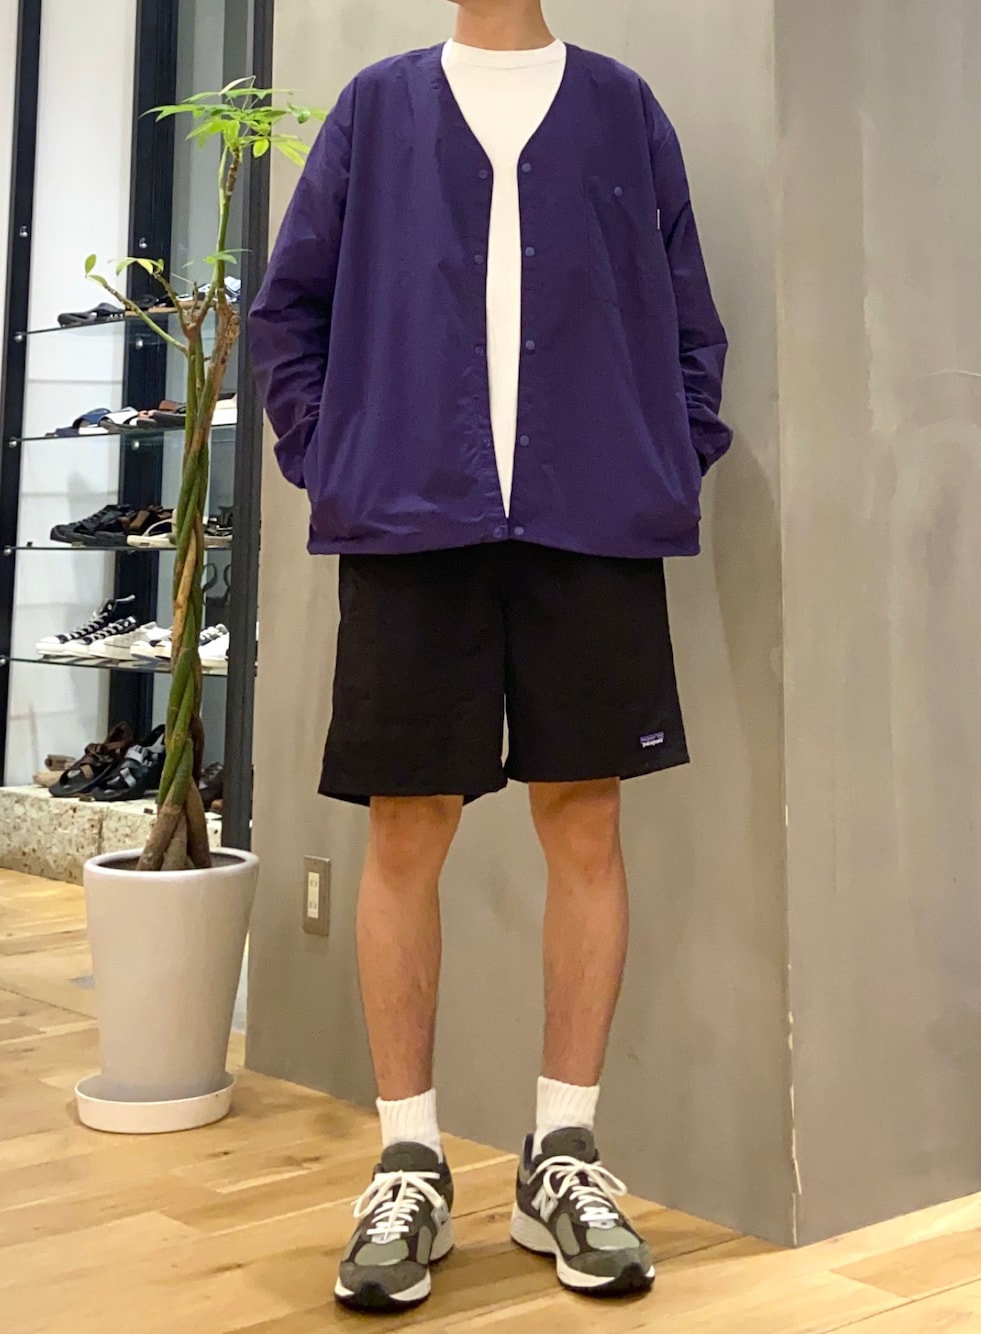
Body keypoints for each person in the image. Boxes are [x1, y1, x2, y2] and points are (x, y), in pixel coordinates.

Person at [249, 0, 731, 1314]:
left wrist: (667, 450)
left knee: (587, 819)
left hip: (592, 522)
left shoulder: (623, 108)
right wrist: (336, 456)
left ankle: (561, 1154)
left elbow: (691, 320)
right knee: (406, 827)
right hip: (413, 525)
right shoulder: (377, 109)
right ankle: (407, 1162)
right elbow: (288, 312)